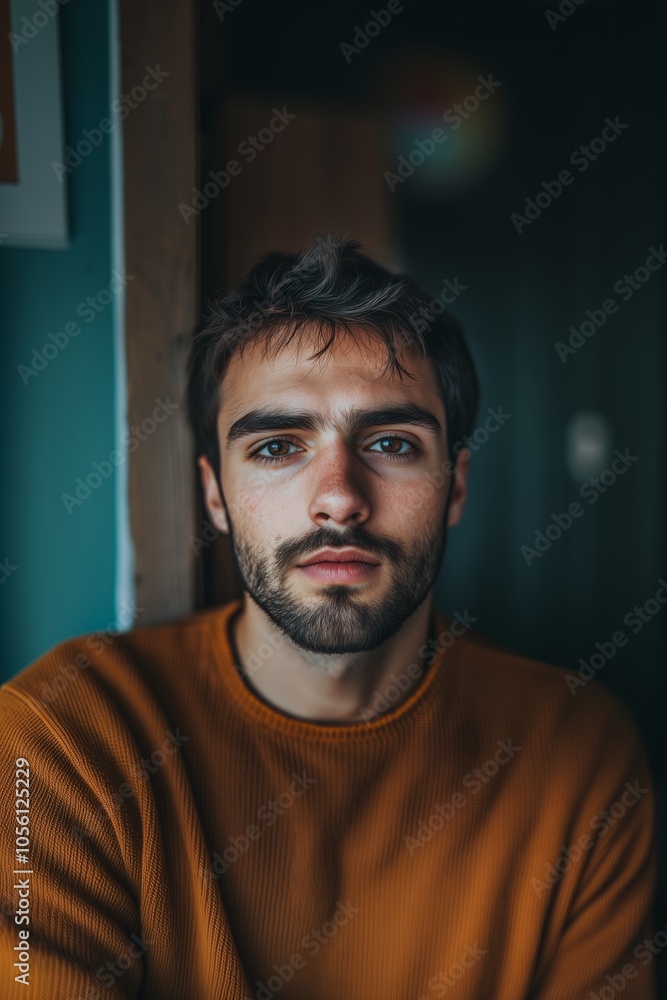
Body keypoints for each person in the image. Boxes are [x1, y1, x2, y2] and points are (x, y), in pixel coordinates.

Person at [0, 232, 657, 999]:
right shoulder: (60, 740)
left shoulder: (579, 751)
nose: (339, 496)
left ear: (454, 486)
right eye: (278, 447)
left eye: (389, 442)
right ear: (215, 495)